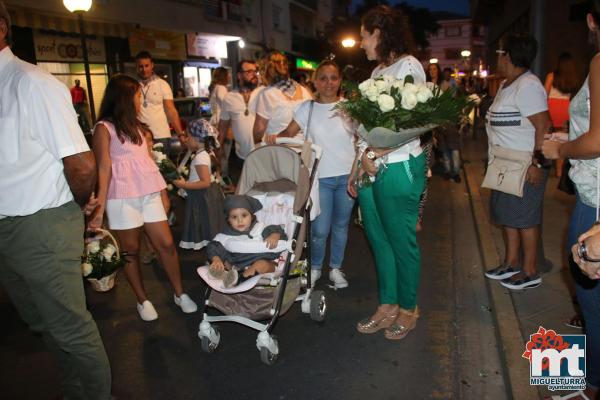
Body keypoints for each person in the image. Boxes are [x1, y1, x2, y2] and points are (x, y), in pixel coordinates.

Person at [0, 3, 111, 398]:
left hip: (41, 222)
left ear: (2, 28)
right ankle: (74, 390)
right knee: (40, 322)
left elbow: (82, 166)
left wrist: (75, 211)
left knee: (69, 325)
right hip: (8, 226)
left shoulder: (32, 84)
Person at [89, 74, 197, 322]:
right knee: (131, 249)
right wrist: (99, 209)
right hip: (122, 196)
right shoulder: (103, 128)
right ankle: (142, 299)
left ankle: (179, 293)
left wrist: (162, 193)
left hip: (148, 193)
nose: (141, 100)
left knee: (166, 244)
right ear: (125, 98)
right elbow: (103, 168)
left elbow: (149, 163)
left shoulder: (139, 126)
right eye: (138, 95)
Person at [349, 5, 427, 341]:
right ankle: (387, 305)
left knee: (401, 242)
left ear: (378, 33)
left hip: (399, 167)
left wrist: (377, 152)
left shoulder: (408, 66)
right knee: (378, 240)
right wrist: (360, 163)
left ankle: (409, 309)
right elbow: (366, 128)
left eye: (364, 36)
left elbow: (413, 121)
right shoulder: (377, 73)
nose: (362, 43)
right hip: (369, 168)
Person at [542, 3, 600, 398]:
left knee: (590, 297)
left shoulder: (599, 61)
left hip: (597, 199)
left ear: (593, 21)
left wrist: (558, 151)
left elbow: (597, 141)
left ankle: (590, 382)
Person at [268, 60, 355, 289]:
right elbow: (288, 133)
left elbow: (360, 140)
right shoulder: (307, 108)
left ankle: (335, 268)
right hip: (320, 178)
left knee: (341, 226)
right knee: (319, 229)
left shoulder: (349, 108)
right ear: (315, 81)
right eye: (323, 78)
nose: (328, 83)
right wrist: (272, 138)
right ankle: (315, 268)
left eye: (333, 78)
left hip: (347, 176)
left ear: (340, 81)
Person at [482, 34, 552, 291]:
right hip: (504, 163)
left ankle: (530, 271)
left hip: (524, 163)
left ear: (508, 56)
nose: (497, 57)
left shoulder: (528, 85)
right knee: (509, 217)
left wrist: (538, 163)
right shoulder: (506, 85)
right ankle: (511, 263)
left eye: (500, 52)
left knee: (525, 218)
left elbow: (543, 125)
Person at [206, 195, 288, 288]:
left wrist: (274, 235)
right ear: (228, 220)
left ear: (252, 216)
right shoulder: (225, 236)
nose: (240, 220)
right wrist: (216, 259)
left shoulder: (260, 229)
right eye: (234, 217)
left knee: (262, 264)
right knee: (221, 259)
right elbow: (213, 246)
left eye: (244, 215)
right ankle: (227, 275)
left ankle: (238, 279)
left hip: (263, 264)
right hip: (236, 267)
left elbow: (276, 230)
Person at [173, 118, 225, 250]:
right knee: (210, 222)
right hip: (209, 195)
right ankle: (213, 252)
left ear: (196, 139)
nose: (186, 140)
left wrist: (183, 185)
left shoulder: (201, 157)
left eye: (189, 136)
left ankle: (213, 253)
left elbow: (205, 182)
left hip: (202, 196)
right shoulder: (207, 152)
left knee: (205, 222)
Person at [218, 59, 263, 181]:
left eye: (255, 71)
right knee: (246, 195)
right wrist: (220, 146)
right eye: (249, 71)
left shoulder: (264, 93)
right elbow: (223, 125)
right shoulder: (229, 97)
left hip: (264, 154)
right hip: (242, 157)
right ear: (239, 75)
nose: (254, 74)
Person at [253, 51, 313, 144]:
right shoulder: (305, 91)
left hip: (280, 150)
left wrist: (257, 144)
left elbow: (259, 130)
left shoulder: (268, 94)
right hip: (305, 149)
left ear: (268, 70)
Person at [135, 51, 186, 153]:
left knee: (162, 168)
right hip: (140, 136)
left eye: (147, 65)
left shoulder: (162, 84)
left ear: (152, 65)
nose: (144, 69)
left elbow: (171, 110)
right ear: (136, 67)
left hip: (160, 136)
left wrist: (180, 134)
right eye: (141, 66)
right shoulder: (133, 86)